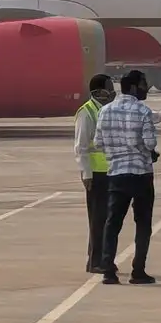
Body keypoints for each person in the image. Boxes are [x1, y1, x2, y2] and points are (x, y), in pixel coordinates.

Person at [95, 69, 160, 285]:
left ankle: (108, 270)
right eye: (144, 85)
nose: (146, 89)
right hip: (140, 174)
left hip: (116, 173)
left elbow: (98, 143)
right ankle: (138, 270)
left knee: (112, 223)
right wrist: (145, 151)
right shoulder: (142, 110)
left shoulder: (105, 111)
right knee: (142, 224)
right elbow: (150, 143)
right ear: (133, 87)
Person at [74, 74, 115, 274]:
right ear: (98, 92)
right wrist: (86, 173)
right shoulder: (87, 113)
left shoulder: (105, 111)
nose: (112, 91)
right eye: (109, 88)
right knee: (98, 219)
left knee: (108, 219)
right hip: (96, 176)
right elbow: (81, 146)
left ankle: (105, 258)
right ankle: (95, 261)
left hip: (109, 172)